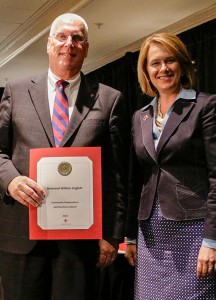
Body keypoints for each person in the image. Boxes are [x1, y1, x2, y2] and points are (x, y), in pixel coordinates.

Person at [0, 13, 129, 300]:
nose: (68, 44)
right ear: (48, 44)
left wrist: (111, 234)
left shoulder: (109, 99)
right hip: (22, 235)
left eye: (77, 38)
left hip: (81, 241)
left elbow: (116, 174)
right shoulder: (16, 91)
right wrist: (10, 181)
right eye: (61, 36)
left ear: (86, 47)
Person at [125, 32, 216, 299]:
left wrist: (211, 241)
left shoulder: (206, 105)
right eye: (155, 63)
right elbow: (136, 179)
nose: (163, 68)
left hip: (194, 229)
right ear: (146, 70)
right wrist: (130, 236)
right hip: (150, 231)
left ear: (183, 65)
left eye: (170, 60)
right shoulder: (139, 116)